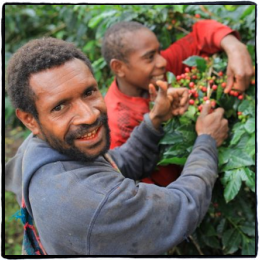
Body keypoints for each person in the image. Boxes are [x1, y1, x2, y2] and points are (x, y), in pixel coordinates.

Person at [5, 37, 229, 255]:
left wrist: (155, 119)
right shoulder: (93, 203)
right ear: (29, 120)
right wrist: (207, 140)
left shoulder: (38, 148)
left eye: (89, 92)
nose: (89, 115)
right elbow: (182, 207)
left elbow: (115, 164)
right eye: (60, 107)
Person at [102, 20, 254, 186]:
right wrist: (206, 141)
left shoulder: (160, 71)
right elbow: (143, 193)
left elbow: (199, 34)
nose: (162, 62)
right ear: (119, 68)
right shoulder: (117, 124)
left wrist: (235, 48)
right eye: (150, 57)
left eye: (159, 52)